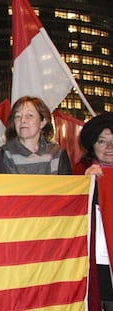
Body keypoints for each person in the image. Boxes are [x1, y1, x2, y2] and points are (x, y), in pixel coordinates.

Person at [79, 113, 113, 310]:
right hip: (97, 260)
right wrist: (85, 187)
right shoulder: (80, 173)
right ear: (92, 146)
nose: (109, 147)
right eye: (102, 141)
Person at [2, 96, 71, 174]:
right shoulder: (3, 154)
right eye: (18, 116)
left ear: (43, 122)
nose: (23, 120)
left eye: (30, 115)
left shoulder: (57, 154)